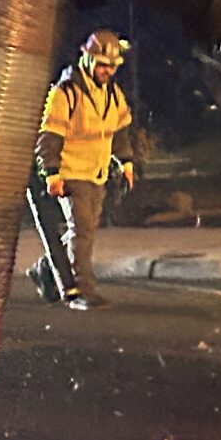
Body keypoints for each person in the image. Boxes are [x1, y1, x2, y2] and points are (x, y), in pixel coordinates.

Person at [29, 29, 140, 309]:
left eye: (112, 66)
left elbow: (120, 131)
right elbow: (49, 136)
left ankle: (45, 268)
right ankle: (82, 290)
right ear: (88, 59)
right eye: (102, 64)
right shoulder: (65, 92)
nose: (107, 71)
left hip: (96, 172)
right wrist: (52, 174)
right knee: (82, 231)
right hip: (71, 171)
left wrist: (126, 162)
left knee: (84, 229)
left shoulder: (112, 94)